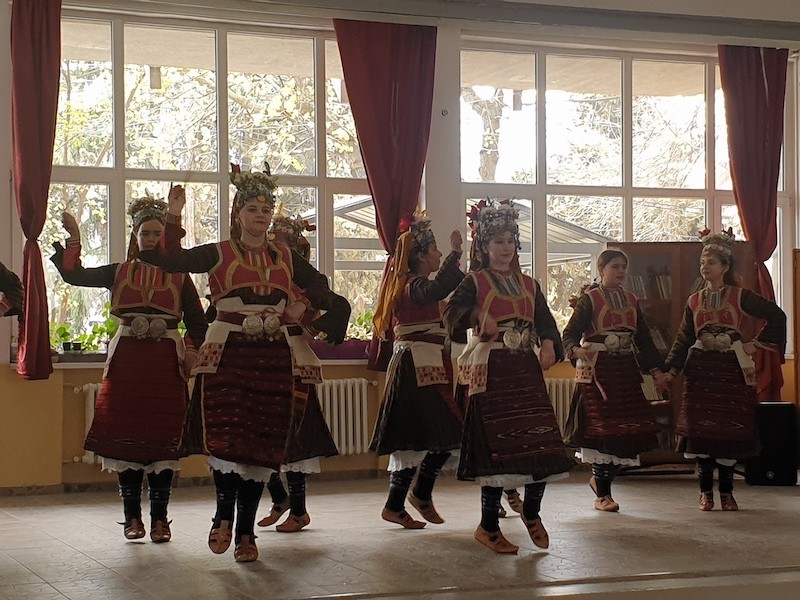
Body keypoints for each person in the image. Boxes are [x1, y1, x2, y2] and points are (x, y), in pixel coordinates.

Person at [138, 162, 350, 562]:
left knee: (262, 444)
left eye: (266, 209)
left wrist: (302, 303)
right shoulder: (219, 252)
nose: (261, 215)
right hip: (227, 353)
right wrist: (174, 215)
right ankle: (223, 515)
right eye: (253, 208)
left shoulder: (285, 256)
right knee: (227, 437)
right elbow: (169, 260)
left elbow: (319, 284)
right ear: (238, 213)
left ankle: (247, 533)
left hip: (273, 356)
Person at [51, 189, 207, 543]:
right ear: (135, 236)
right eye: (145, 233)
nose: (151, 239)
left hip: (166, 364)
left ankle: (161, 519)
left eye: (157, 233)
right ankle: (132, 518)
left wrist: (191, 353)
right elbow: (75, 275)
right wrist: (74, 237)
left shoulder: (181, 278)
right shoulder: (118, 272)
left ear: (166, 236)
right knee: (125, 444)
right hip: (127, 364)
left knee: (164, 442)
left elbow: (197, 324)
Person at [444, 199, 573, 555]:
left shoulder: (530, 285)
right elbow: (450, 313)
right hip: (492, 370)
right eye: (497, 241)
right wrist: (476, 316)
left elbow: (546, 322)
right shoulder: (474, 282)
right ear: (484, 246)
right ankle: (488, 527)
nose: (505, 248)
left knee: (542, 441)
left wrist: (549, 344)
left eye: (509, 241)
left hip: (525, 369)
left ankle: (531, 512)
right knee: (497, 447)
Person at [662, 229, 786, 512]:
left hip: (731, 370)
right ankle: (705, 492)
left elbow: (776, 315)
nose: (705, 267)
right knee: (701, 433)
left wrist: (755, 344)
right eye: (702, 262)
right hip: (701, 371)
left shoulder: (741, 296)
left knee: (729, 432)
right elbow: (683, 339)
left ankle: (727, 493)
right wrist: (671, 371)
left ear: (725, 267)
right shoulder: (694, 301)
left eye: (711, 262)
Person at [370, 214, 465, 529]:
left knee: (423, 434)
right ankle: (417, 494)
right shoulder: (412, 286)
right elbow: (436, 289)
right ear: (422, 255)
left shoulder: (412, 286)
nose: (439, 254)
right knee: (444, 431)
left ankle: (398, 503)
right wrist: (456, 254)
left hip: (425, 363)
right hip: (415, 366)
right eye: (435, 250)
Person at [562, 250, 667, 512]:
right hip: (597, 372)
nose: (621, 271)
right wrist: (576, 350)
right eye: (615, 266)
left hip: (624, 370)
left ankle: (600, 482)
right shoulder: (590, 300)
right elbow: (570, 333)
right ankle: (604, 494)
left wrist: (657, 371)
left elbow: (644, 340)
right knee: (603, 430)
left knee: (629, 431)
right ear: (601, 270)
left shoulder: (632, 300)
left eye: (623, 267)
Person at [256, 213, 341, 532]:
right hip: (263, 360)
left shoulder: (307, 286)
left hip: (296, 362)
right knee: (260, 433)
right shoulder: (260, 275)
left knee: (296, 437)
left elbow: (338, 309)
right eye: (273, 242)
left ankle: (299, 510)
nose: (277, 248)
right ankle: (280, 498)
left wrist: (311, 326)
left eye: (283, 243)